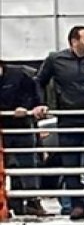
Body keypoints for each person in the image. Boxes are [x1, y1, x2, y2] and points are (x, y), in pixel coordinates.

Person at [34, 25, 84, 220]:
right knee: (71, 164)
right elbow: (39, 81)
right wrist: (40, 104)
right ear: (74, 41)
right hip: (69, 118)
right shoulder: (55, 59)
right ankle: (77, 205)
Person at [0, 61, 49, 216]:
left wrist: (28, 107)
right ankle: (13, 204)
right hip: (3, 127)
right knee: (8, 165)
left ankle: (32, 200)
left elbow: (34, 94)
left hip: (21, 125)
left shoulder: (20, 74)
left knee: (27, 162)